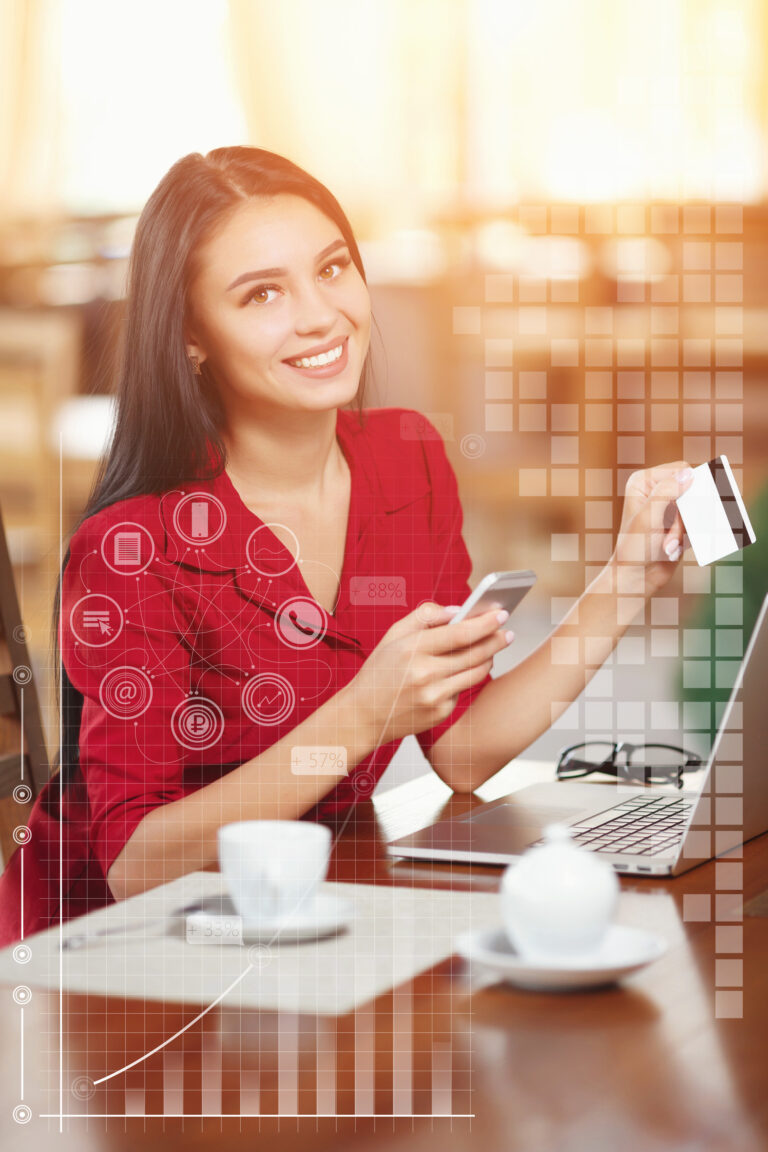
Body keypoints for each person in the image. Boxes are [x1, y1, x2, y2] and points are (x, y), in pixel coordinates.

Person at [0, 146, 693, 944]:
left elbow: (463, 747)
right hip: (106, 962)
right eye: (263, 294)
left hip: (291, 918)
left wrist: (626, 578)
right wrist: (363, 714)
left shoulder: (407, 462)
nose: (320, 316)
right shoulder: (133, 547)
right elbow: (139, 866)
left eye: (332, 269)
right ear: (193, 337)